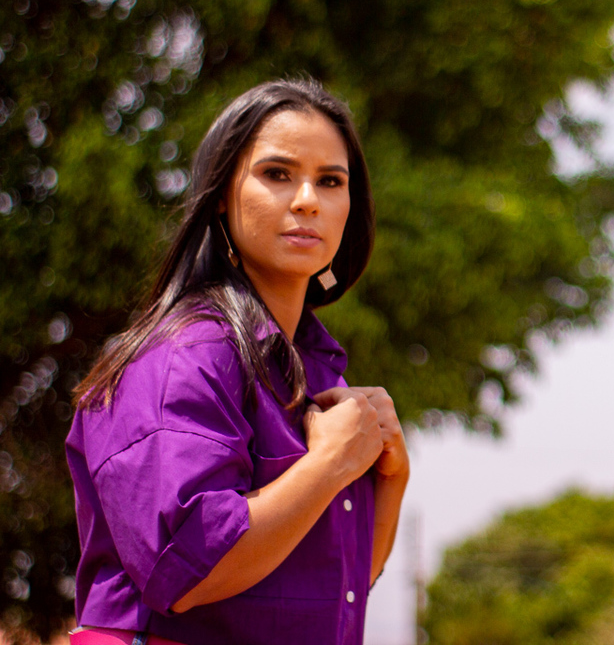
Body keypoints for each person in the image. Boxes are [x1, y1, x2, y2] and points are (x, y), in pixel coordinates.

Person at [65, 78, 407, 645]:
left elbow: (329, 587)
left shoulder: (314, 372)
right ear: (221, 193)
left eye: (330, 181)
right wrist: (329, 466)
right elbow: (186, 569)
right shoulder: (185, 356)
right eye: (277, 174)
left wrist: (392, 476)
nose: (307, 200)